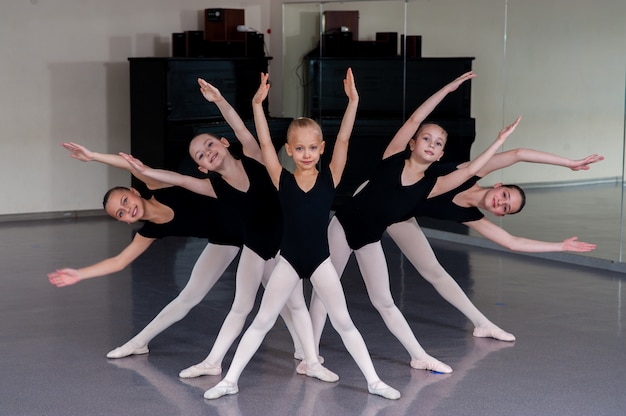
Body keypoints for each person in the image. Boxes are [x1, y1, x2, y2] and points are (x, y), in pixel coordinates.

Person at [202, 69, 402, 400]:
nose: (306, 154)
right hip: (290, 261)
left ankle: (374, 381)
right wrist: (256, 105)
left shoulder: (330, 178)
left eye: (312, 148)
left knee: (344, 321)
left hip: (320, 261)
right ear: (290, 151)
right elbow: (263, 142)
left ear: (321, 148)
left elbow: (344, 140)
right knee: (262, 319)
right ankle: (229, 380)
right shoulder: (281, 178)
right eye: (299, 149)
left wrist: (353, 102)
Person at [119, 78, 335, 382]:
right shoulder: (212, 185)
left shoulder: (255, 157)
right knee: (240, 306)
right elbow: (177, 180)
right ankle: (213, 361)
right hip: (253, 245)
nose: (207, 152)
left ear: (222, 143)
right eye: (200, 156)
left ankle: (310, 359)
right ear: (203, 167)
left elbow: (242, 130)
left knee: (295, 302)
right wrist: (144, 171)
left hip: (282, 244)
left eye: (209, 144)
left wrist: (219, 100)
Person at [307, 71, 516, 374]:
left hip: (369, 239)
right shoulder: (393, 155)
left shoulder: (432, 186)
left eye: (438, 143)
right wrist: (448, 87)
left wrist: (498, 141)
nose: (431, 144)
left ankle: (418, 355)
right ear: (414, 142)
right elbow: (416, 117)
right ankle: (310, 357)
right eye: (426, 138)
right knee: (325, 290)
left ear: (441, 154)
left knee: (385, 301)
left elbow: (472, 169)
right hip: (342, 227)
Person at [47, 143, 246, 358]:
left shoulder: (158, 188)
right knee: (189, 296)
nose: (127, 209)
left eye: (125, 200)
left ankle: (291, 348)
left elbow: (132, 166)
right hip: (226, 239)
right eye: (121, 213)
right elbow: (119, 261)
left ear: (134, 191)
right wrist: (79, 274)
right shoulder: (150, 231)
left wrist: (94, 156)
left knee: (278, 292)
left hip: (252, 222)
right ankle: (139, 342)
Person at [384, 146, 601, 341]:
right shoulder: (470, 172)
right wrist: (570, 163)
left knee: (434, 271)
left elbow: (513, 242)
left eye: (505, 207)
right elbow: (519, 154)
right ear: (498, 185)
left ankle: (482, 324)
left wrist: (560, 246)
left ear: (500, 214)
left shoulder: (471, 216)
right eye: (505, 195)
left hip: (396, 215)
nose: (501, 202)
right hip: (378, 194)